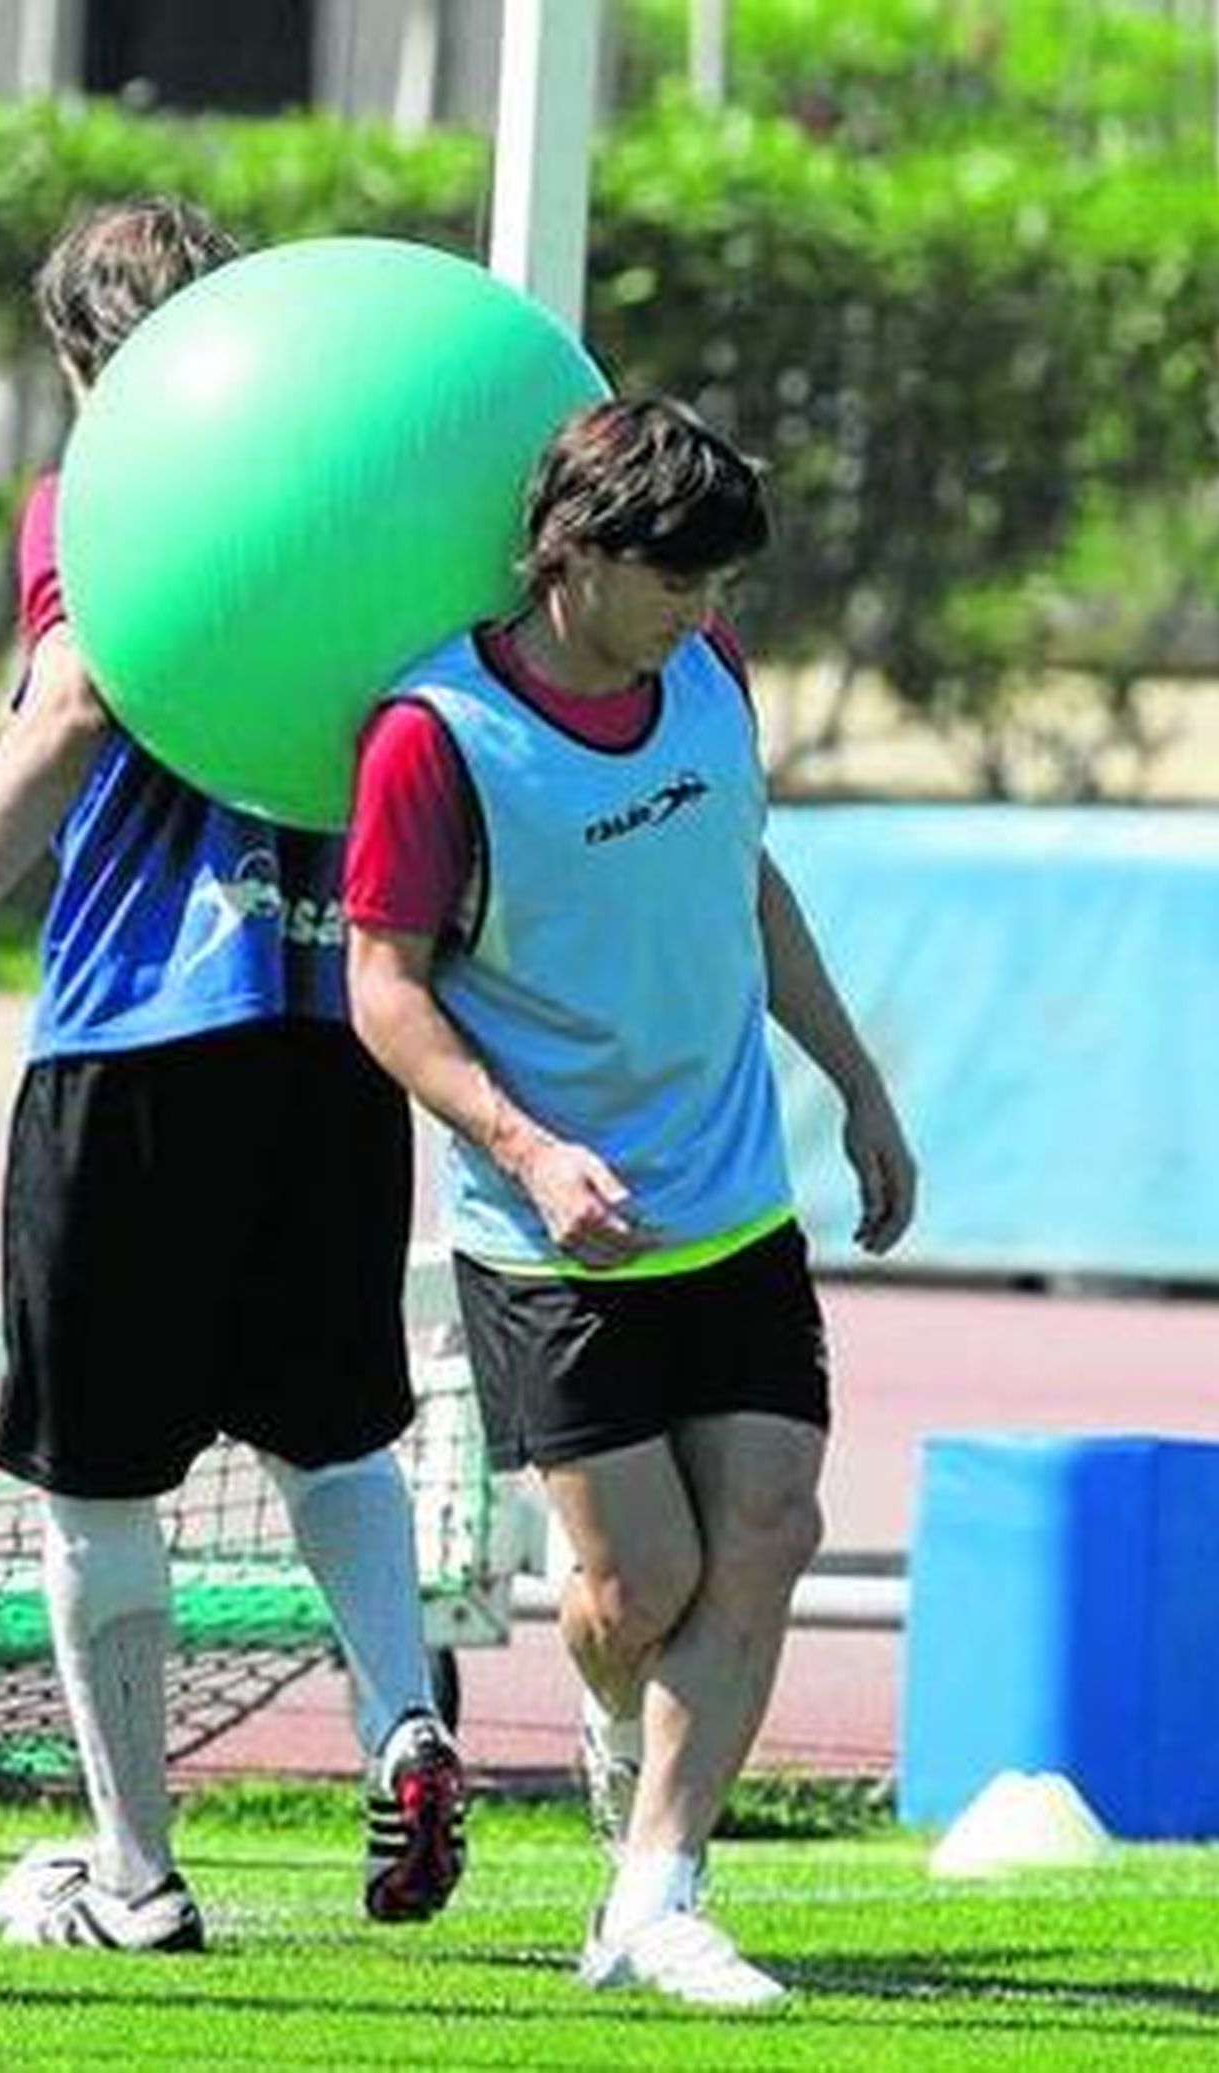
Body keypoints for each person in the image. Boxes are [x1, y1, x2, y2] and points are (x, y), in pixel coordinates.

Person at [0, 195, 465, 1953]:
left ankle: (136, 1873)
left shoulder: (101, 499)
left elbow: (74, 703)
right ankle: (402, 1712)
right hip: (336, 1025)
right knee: (334, 1420)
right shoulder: (376, 488)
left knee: (97, 1474)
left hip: (134, 1030)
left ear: (77, 360)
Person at [344, 396, 916, 2011]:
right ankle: (618, 1727)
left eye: (721, 586)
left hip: (734, 1196)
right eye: (680, 582)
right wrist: (528, 1148)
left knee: (773, 1525)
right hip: (551, 1234)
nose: (707, 616)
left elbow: (746, 876)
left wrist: (859, 1083)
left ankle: (655, 1890)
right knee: (634, 1590)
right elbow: (384, 991)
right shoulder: (435, 735)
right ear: (575, 557)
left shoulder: (711, 679)